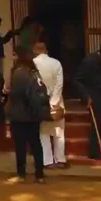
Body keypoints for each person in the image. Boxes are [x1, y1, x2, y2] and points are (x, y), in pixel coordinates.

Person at [7, 45, 48, 184]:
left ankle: (21, 174)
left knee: (20, 145)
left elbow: (16, 93)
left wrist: (8, 91)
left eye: (14, 54)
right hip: (34, 113)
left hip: (20, 113)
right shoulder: (34, 72)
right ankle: (39, 174)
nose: (12, 57)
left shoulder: (18, 72)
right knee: (36, 143)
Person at [33, 39, 67, 169]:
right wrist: (55, 100)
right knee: (59, 131)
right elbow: (60, 84)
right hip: (57, 102)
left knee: (43, 132)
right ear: (46, 50)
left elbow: (35, 84)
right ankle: (61, 159)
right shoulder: (56, 63)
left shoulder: (33, 63)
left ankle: (47, 161)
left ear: (35, 51)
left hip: (41, 102)